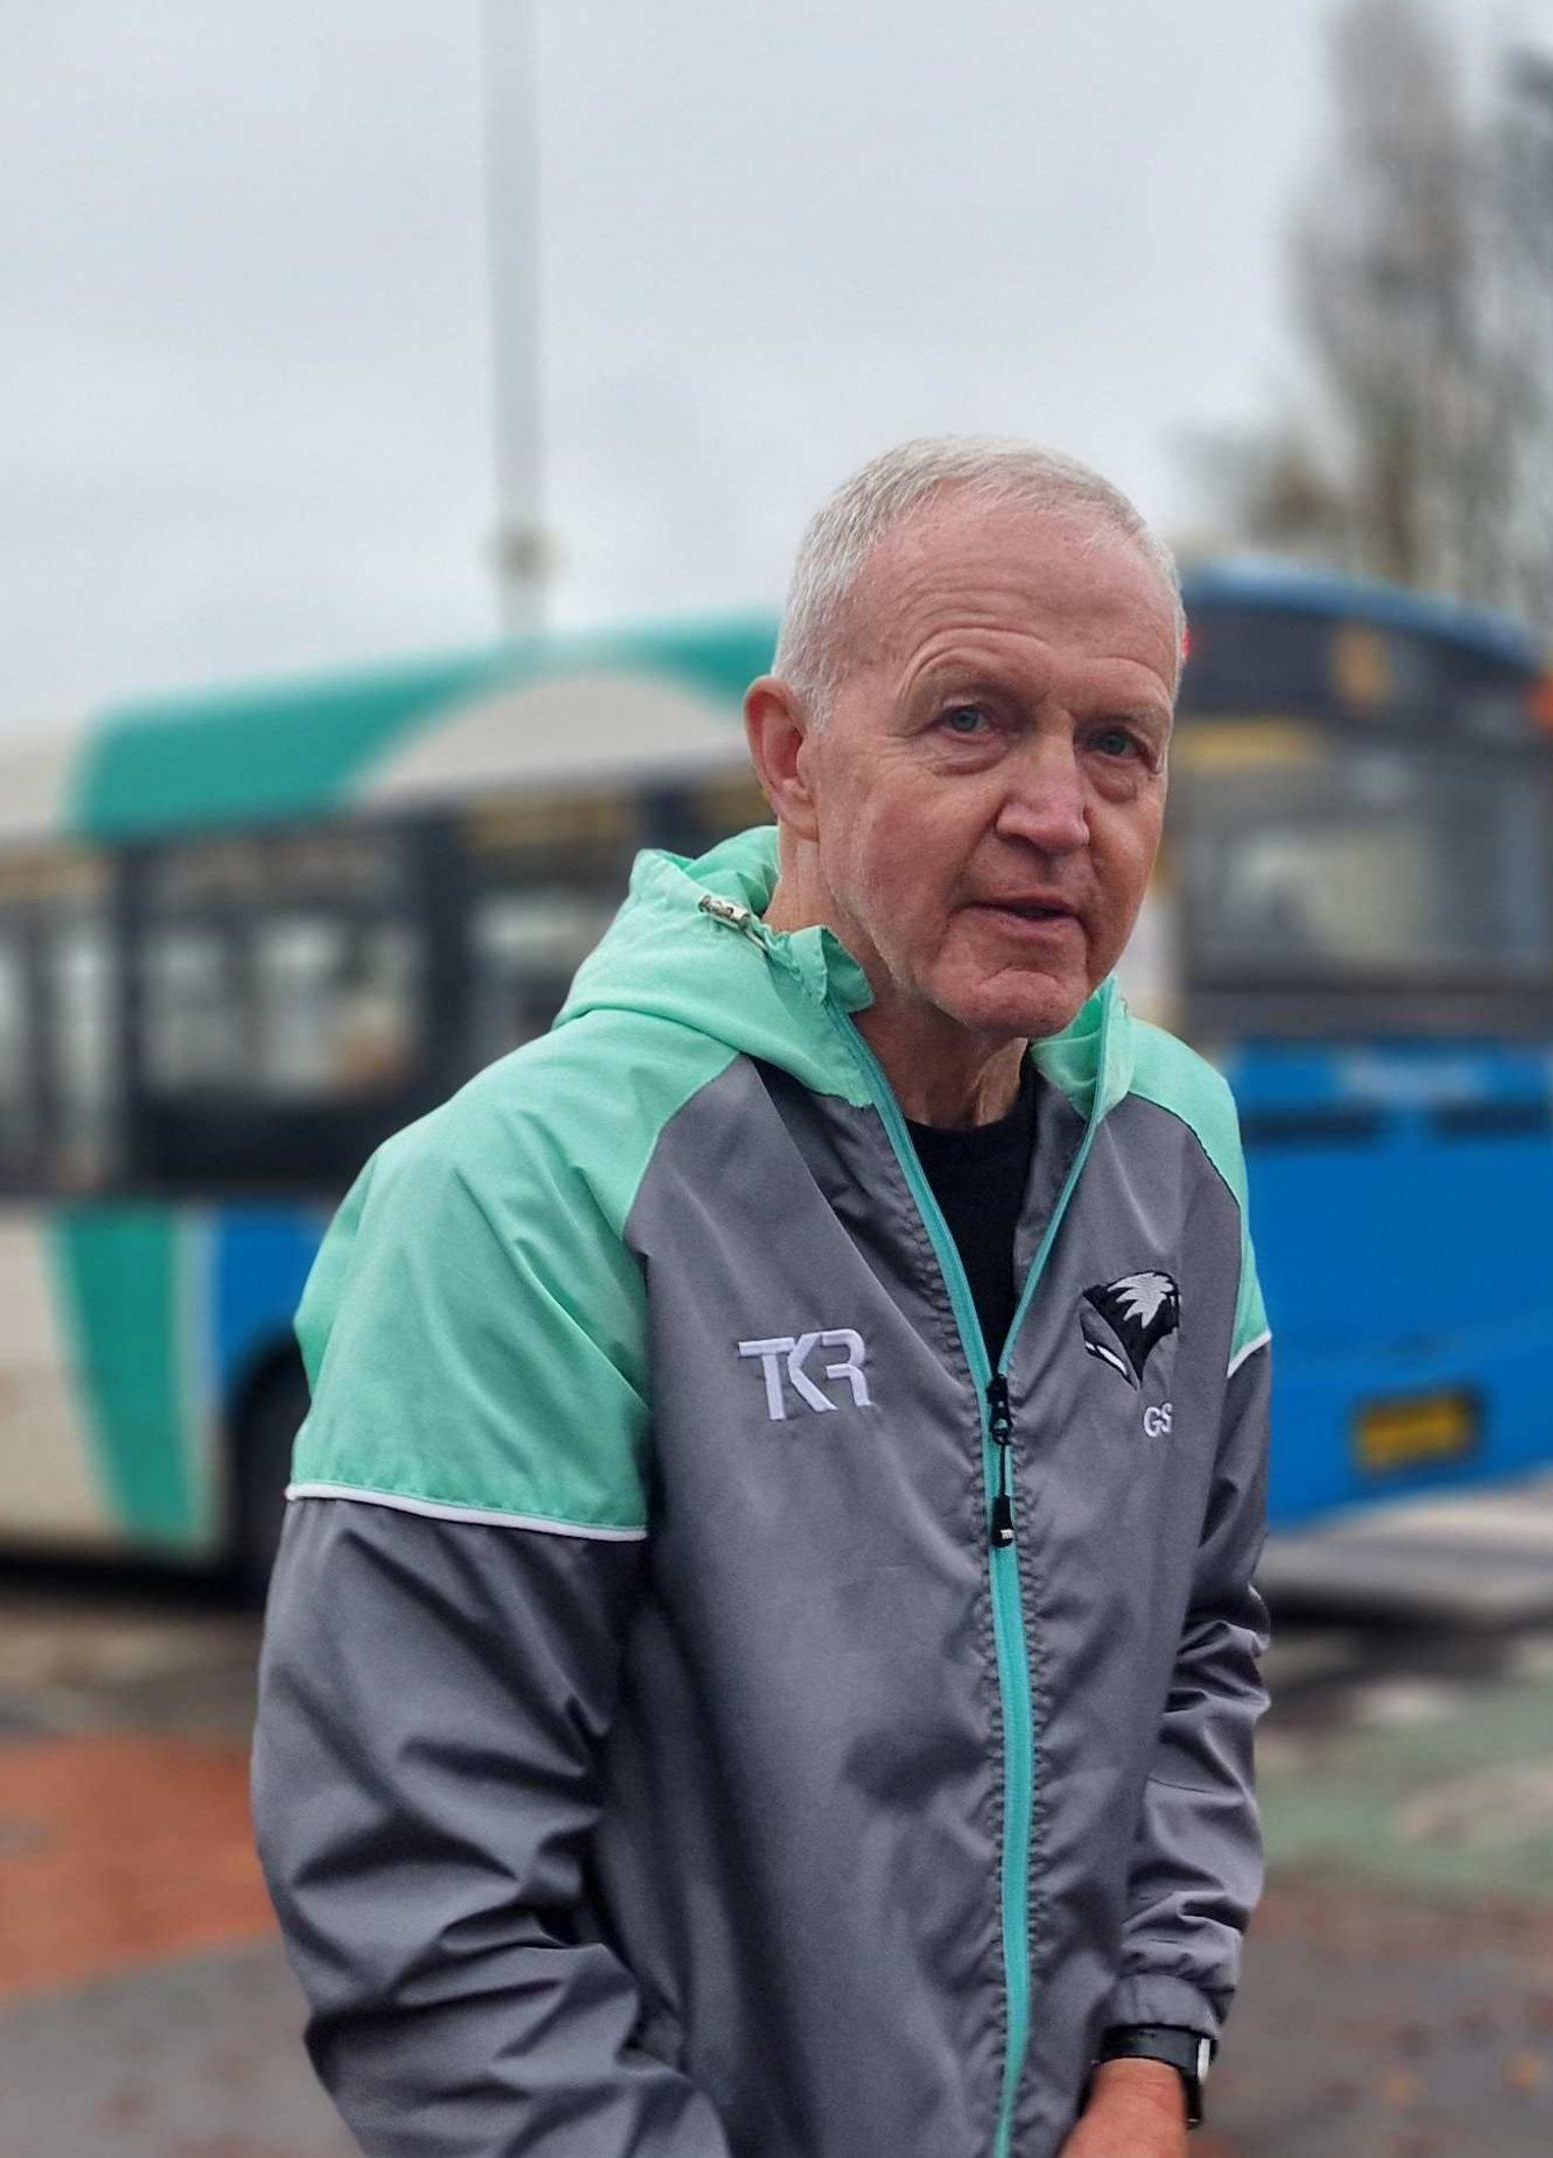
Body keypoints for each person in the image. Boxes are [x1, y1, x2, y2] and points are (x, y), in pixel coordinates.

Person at [252, 437, 1271, 2158]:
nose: (1057, 810)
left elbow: (1202, 1651)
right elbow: (427, 1921)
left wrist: (1153, 2059)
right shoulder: (516, 1199)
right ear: (792, 758)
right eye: (972, 718)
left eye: (1120, 744)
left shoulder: (1179, 1149)